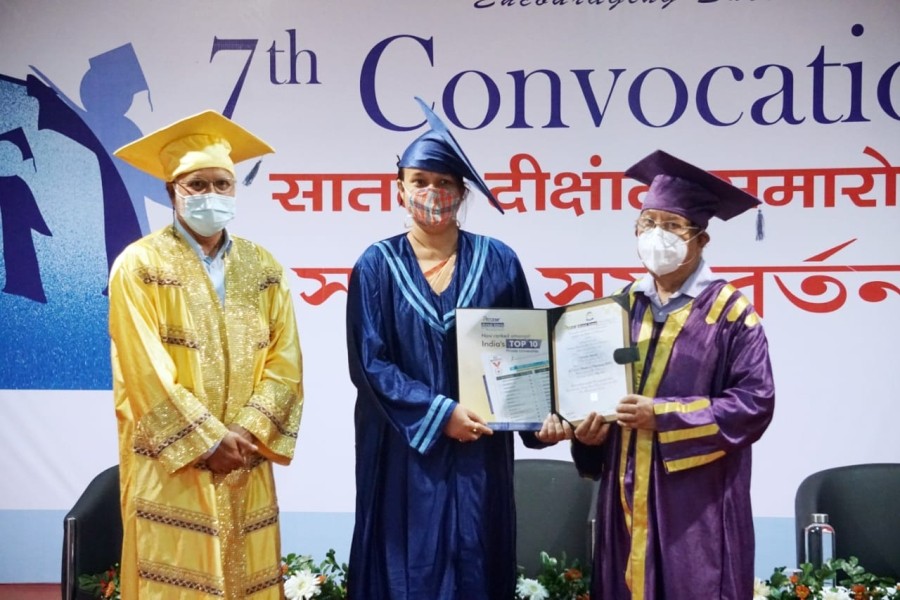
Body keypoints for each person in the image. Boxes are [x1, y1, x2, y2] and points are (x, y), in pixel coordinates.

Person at [540, 149, 776, 599]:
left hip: (697, 501)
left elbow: (754, 404)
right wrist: (590, 434)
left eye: (671, 225)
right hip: (625, 494)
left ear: (701, 239)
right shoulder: (617, 307)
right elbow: (599, 397)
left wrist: (663, 414)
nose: (656, 235)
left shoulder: (730, 313)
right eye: (647, 223)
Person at [346, 98, 549, 599]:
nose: (432, 192)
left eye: (444, 183)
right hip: (403, 456)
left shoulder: (499, 261)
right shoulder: (375, 265)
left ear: (462, 192)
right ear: (399, 189)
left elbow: (525, 353)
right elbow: (370, 366)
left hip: (481, 455)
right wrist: (441, 415)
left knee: (478, 563)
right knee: (406, 571)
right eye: (419, 181)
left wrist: (541, 419)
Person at [109, 110, 304, 600]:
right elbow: (143, 370)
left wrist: (247, 431)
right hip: (172, 464)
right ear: (173, 191)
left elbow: (287, 360)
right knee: (176, 581)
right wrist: (205, 440)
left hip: (244, 456)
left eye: (222, 183)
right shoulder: (140, 265)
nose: (211, 195)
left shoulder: (263, 267)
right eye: (197, 184)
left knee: (248, 576)